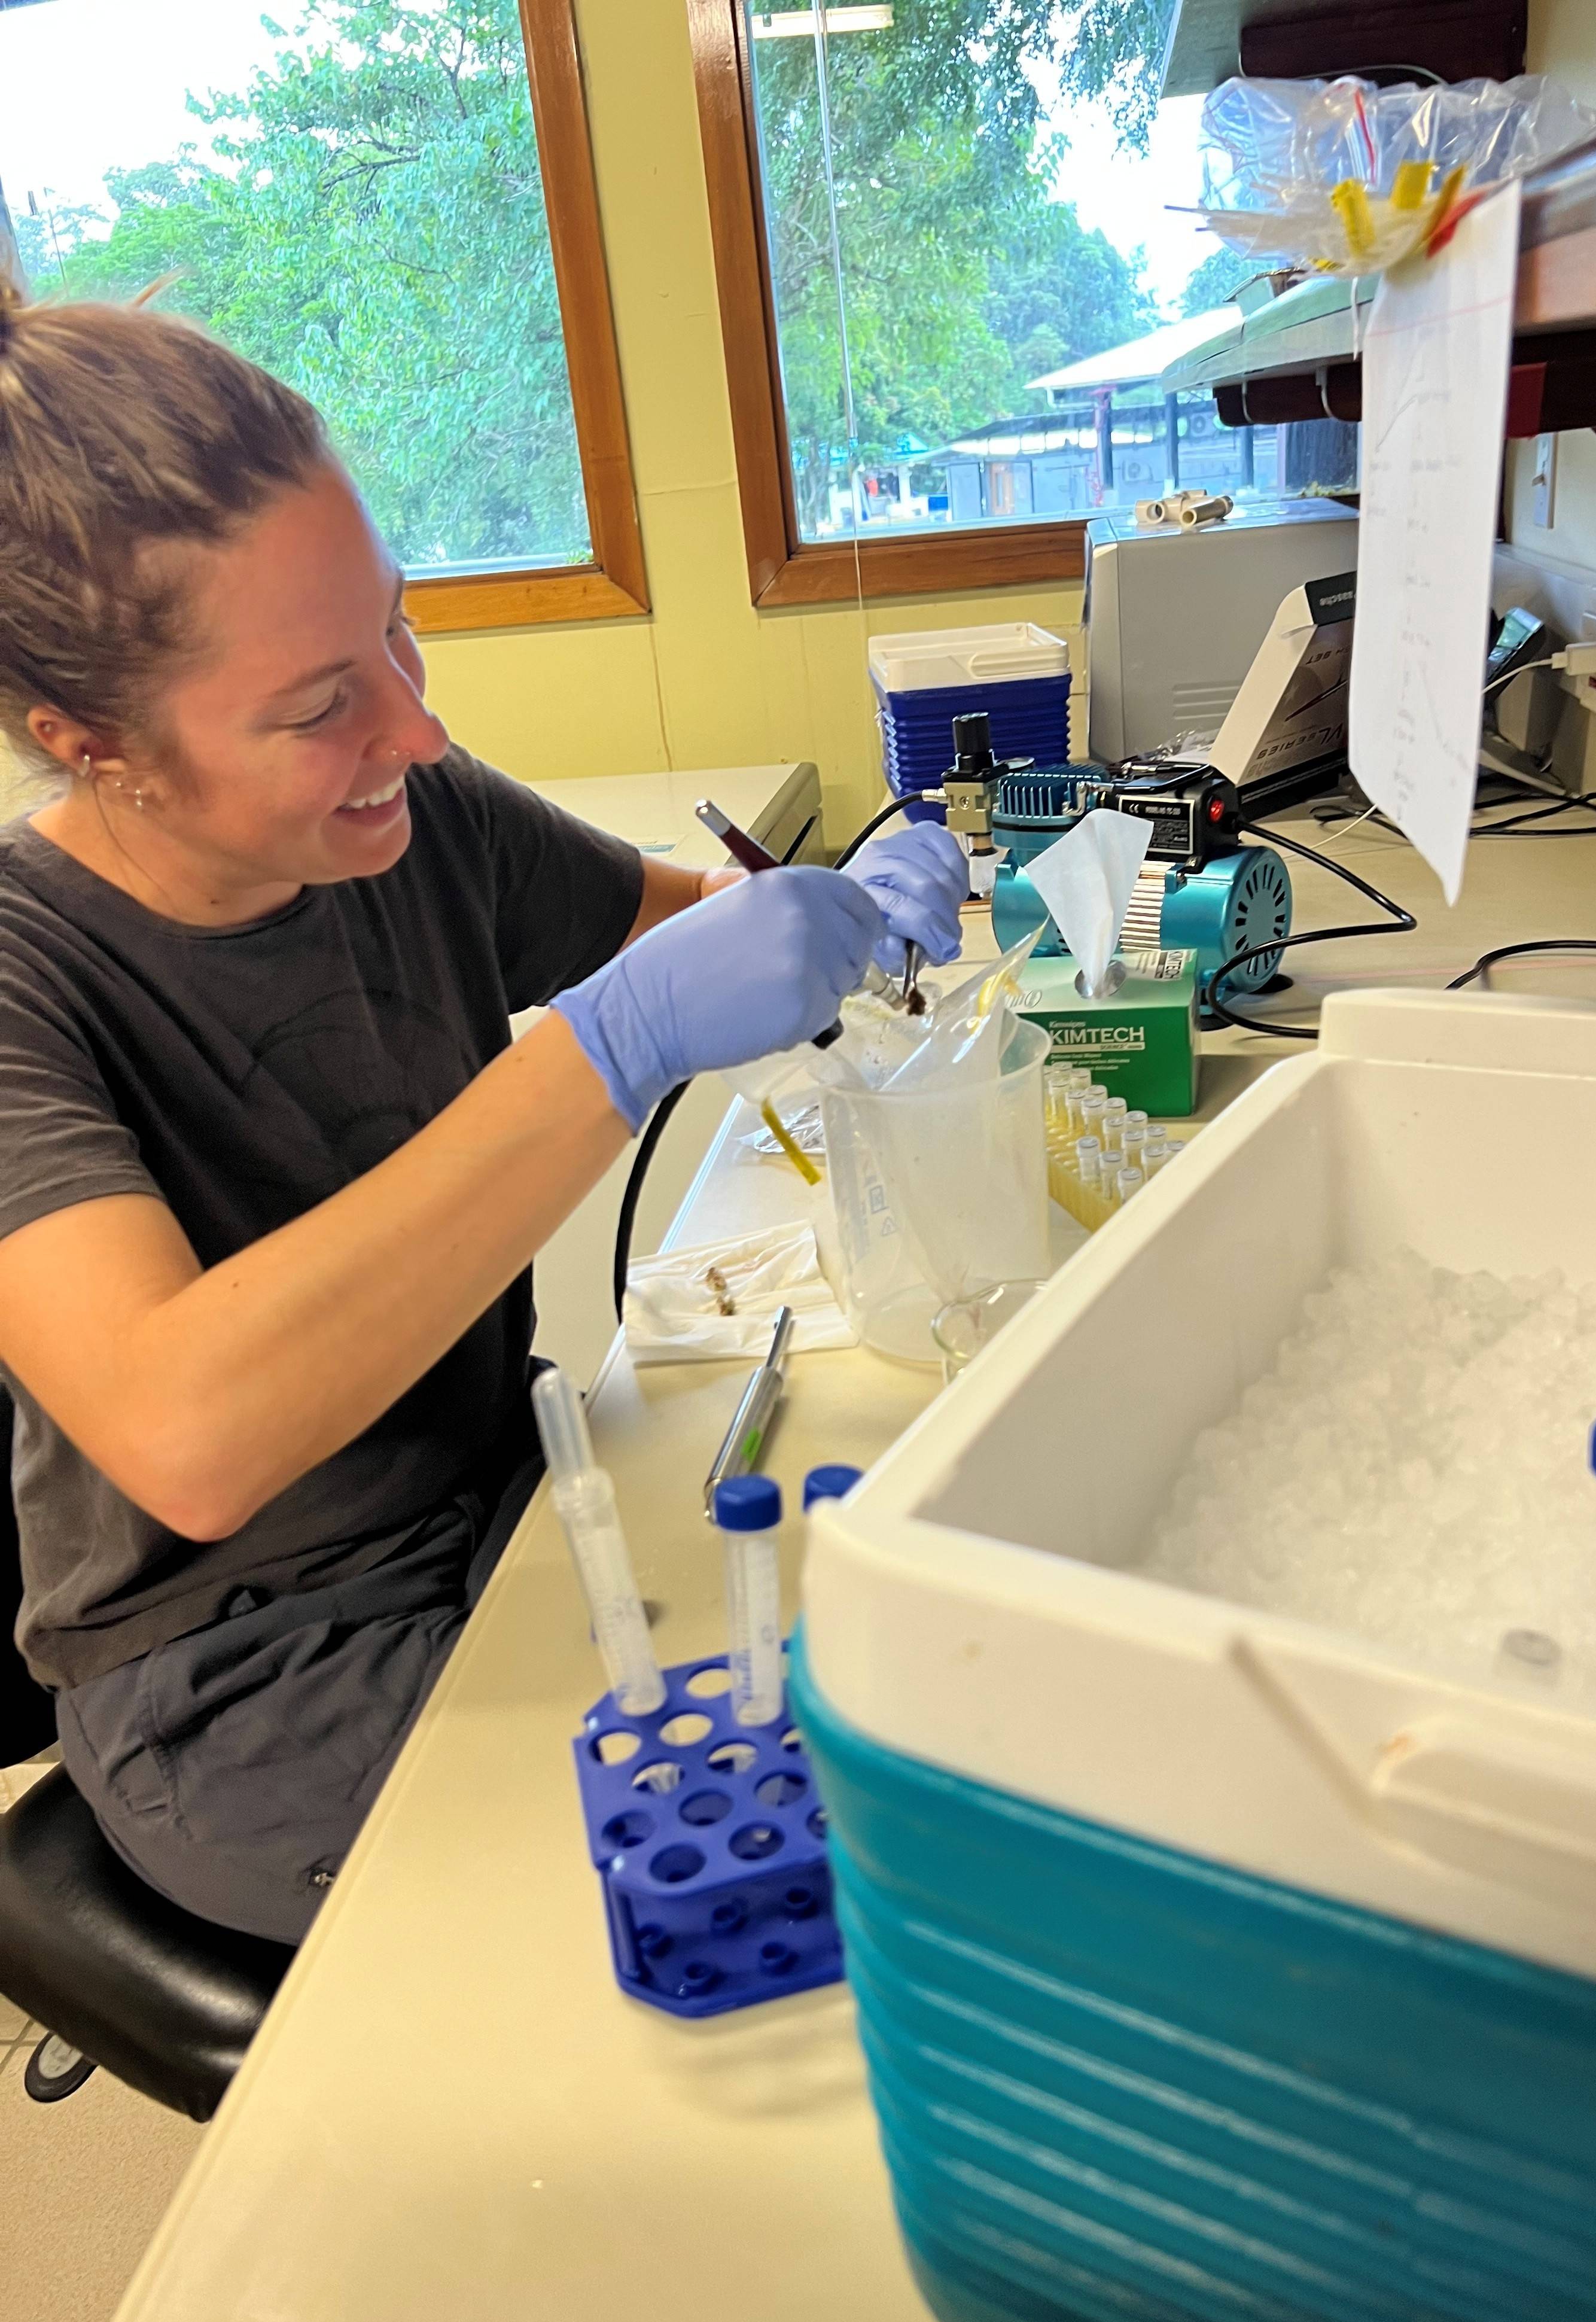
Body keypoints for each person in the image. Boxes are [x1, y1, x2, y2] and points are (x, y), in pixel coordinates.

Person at [0, 281, 968, 1944]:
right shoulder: (33, 981)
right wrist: (597, 1055)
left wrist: (847, 912)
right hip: (251, 1672)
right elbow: (188, 1433)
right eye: (318, 703)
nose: (414, 722)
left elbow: (692, 942)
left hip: (515, 1490)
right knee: (851, 1879)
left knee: (927, 1650)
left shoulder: (416, 816)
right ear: (93, 748)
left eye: (395, 622)